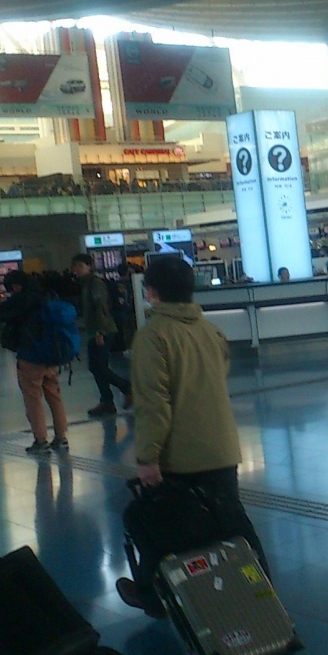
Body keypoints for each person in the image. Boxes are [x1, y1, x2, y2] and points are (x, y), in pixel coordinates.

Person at [114, 255, 269, 612]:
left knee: (168, 528)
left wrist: (147, 457)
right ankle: (262, 598)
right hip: (222, 448)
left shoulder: (152, 337)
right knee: (233, 527)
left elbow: (154, 404)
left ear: (151, 292)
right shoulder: (211, 331)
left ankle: (158, 597)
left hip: (181, 456)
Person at [0, 271, 74, 454]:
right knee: (54, 397)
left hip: (30, 357)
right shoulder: (47, 294)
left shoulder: (22, 299)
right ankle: (61, 438)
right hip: (52, 356)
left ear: (15, 286)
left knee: (33, 399)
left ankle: (40, 440)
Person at [70, 253, 132, 416]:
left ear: (89, 266)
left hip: (102, 330)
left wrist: (100, 332)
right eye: (75, 266)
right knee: (96, 367)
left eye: (80, 266)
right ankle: (107, 401)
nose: (76, 270)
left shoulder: (94, 283)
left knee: (99, 367)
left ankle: (126, 388)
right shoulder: (85, 283)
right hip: (95, 330)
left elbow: (100, 307)